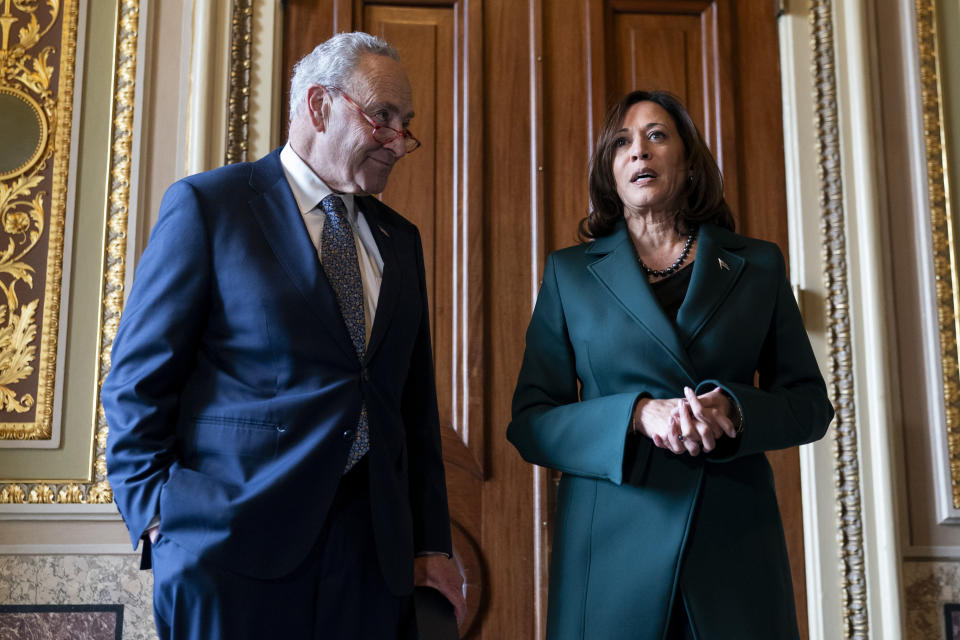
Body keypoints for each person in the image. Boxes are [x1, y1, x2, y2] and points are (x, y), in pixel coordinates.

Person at [103, 31, 465, 640]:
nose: (400, 142)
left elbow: (412, 407)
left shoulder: (401, 240)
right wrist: (157, 516)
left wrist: (430, 543)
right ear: (319, 106)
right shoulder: (209, 206)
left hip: (369, 563)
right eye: (383, 118)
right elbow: (138, 380)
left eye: (406, 124)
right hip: (229, 552)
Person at [507, 90, 834, 639]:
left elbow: (809, 406)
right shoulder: (569, 274)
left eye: (657, 136)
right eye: (622, 143)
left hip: (733, 545)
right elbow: (532, 421)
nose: (640, 152)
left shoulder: (757, 265)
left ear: (688, 163)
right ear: (610, 170)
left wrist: (734, 407)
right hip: (609, 553)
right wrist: (637, 415)